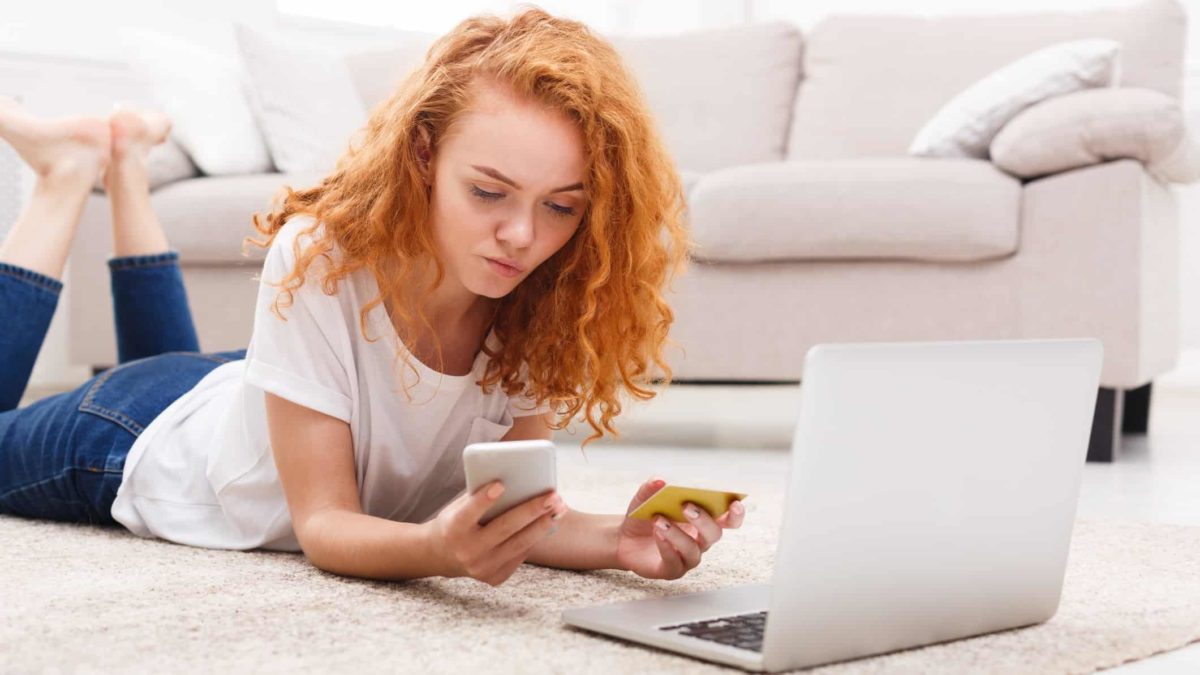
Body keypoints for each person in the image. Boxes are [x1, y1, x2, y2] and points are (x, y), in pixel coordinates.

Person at [0, 9, 745, 586]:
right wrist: (434, 548)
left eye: (562, 206)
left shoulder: (539, 294)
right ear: (423, 152)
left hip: (250, 395)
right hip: (134, 438)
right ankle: (68, 178)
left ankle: (125, 166)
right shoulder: (322, 257)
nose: (521, 234)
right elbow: (326, 523)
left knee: (185, 367)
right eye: (489, 191)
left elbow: (517, 513)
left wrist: (621, 536)